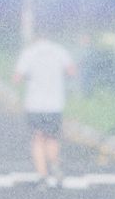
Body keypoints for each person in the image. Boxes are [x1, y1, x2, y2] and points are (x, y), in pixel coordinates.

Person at [13, 30, 76, 188]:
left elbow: (17, 78)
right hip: (54, 103)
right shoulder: (60, 51)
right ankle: (54, 164)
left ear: (35, 37)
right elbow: (72, 72)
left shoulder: (29, 53)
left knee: (38, 139)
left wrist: (30, 77)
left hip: (35, 103)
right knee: (52, 138)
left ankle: (42, 176)